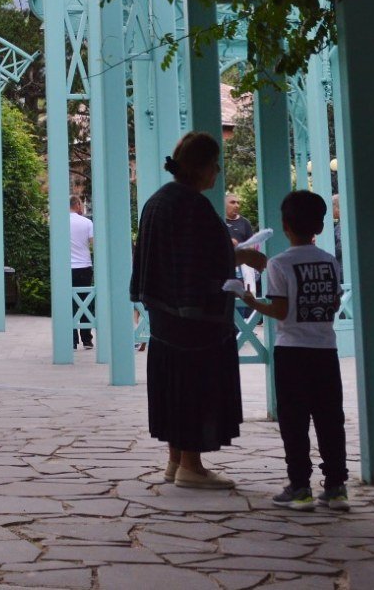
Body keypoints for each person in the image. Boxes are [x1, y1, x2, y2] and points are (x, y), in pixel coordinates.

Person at [130, 131, 265, 489]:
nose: (218, 171)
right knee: (194, 385)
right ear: (201, 167)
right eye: (214, 164)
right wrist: (245, 255)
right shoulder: (192, 205)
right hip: (194, 320)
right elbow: (206, 258)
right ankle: (192, 465)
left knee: (174, 384)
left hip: (164, 315)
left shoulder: (158, 201)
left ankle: (176, 461)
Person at [239, 190, 350, 512]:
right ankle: (336, 487)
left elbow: (281, 311)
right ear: (320, 225)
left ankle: (300, 486)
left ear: (285, 225)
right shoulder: (329, 261)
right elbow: (330, 304)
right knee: (330, 418)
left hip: (291, 351)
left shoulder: (279, 263)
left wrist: (252, 303)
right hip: (325, 349)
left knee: (294, 420)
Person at [70, 195, 96, 349]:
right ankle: (87, 339)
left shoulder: (60, 222)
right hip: (84, 266)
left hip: (67, 268)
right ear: (78, 204)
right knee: (86, 302)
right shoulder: (87, 222)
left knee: (69, 304)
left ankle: (72, 340)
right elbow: (94, 243)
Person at [225, 195, 259, 308]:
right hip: (226, 265)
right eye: (232, 202)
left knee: (244, 295)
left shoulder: (245, 223)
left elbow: (252, 247)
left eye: (238, 203)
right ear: (224, 204)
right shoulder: (220, 221)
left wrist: (238, 245)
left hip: (243, 268)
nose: (236, 205)